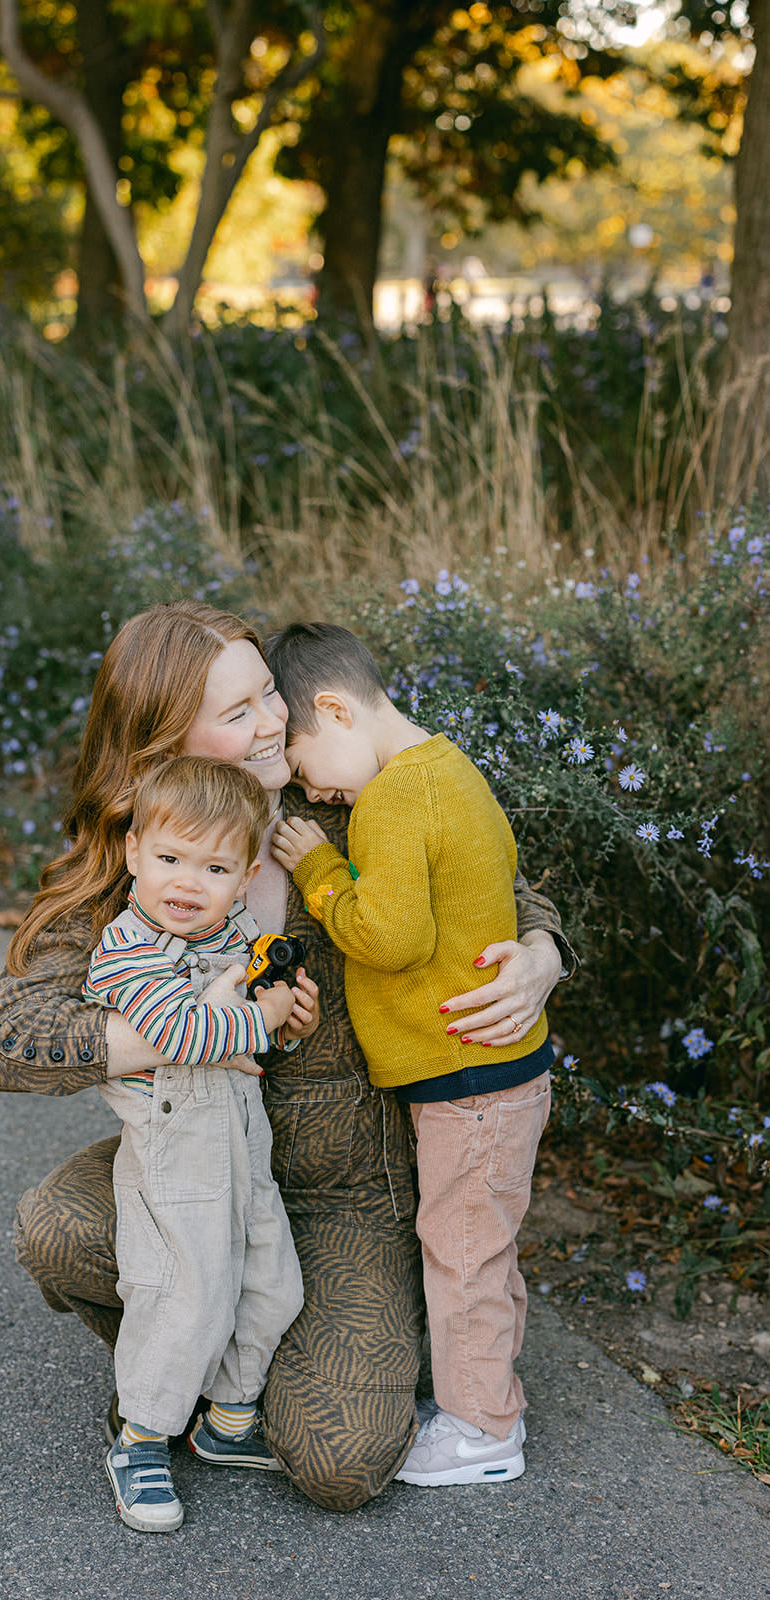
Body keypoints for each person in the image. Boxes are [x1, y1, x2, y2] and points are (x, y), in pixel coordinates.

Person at [0, 600, 576, 1514]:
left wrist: (542, 955)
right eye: (239, 712)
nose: (273, 726)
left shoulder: (332, 800)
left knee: (340, 1463)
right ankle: (174, 1378)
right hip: (195, 1159)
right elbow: (5, 1040)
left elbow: (492, 878)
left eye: (269, 698)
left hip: (346, 1186)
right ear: (167, 738)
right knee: (58, 1226)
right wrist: (199, 1030)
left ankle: (283, 1348)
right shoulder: (147, 847)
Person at [267, 622, 554, 1488]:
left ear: (332, 710)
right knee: (482, 1244)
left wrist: (319, 868)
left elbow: (388, 938)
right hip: (496, 1070)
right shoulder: (451, 769)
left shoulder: (388, 798)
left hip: (463, 1074)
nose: (307, 785)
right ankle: (490, 1396)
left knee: (460, 1246)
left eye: (301, 759)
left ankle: (479, 1432)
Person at [83, 755, 313, 1532]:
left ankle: (226, 1418)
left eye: (212, 866)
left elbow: (247, 1034)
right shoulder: (128, 949)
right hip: (174, 1144)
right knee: (185, 1293)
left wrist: (284, 1015)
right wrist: (264, 1018)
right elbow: (181, 1032)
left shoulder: (238, 930)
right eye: (169, 858)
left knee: (271, 1280)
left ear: (246, 875)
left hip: (242, 1138)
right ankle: (141, 1434)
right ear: (134, 854)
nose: (187, 882)